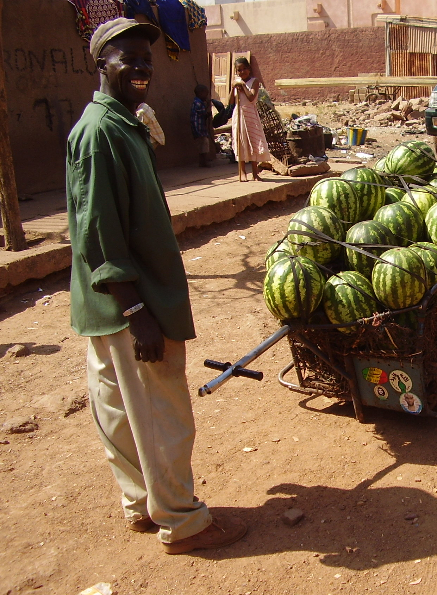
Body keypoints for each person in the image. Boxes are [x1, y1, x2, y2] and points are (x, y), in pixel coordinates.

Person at [66, 18, 247, 555]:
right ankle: (182, 521)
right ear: (101, 65)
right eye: (128, 58)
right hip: (130, 305)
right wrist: (138, 309)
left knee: (119, 411)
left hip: (104, 307)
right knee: (162, 415)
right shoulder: (102, 133)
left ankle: (140, 503)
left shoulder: (117, 123)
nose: (141, 67)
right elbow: (98, 231)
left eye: (147, 58)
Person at [228, 56, 270, 182]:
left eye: (244, 69)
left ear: (249, 69)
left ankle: (255, 173)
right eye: (239, 70)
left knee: (253, 142)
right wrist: (233, 88)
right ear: (236, 72)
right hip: (239, 114)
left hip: (250, 114)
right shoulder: (236, 82)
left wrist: (243, 86)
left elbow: (251, 97)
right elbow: (230, 102)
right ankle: (242, 172)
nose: (242, 72)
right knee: (240, 141)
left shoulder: (254, 81)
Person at [191, 84, 213, 167]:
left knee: (202, 146)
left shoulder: (197, 101)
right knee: (204, 145)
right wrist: (208, 113)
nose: (206, 96)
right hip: (199, 128)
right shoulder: (198, 103)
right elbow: (202, 114)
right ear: (201, 93)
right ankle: (203, 162)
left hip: (199, 128)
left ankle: (202, 162)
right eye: (206, 94)